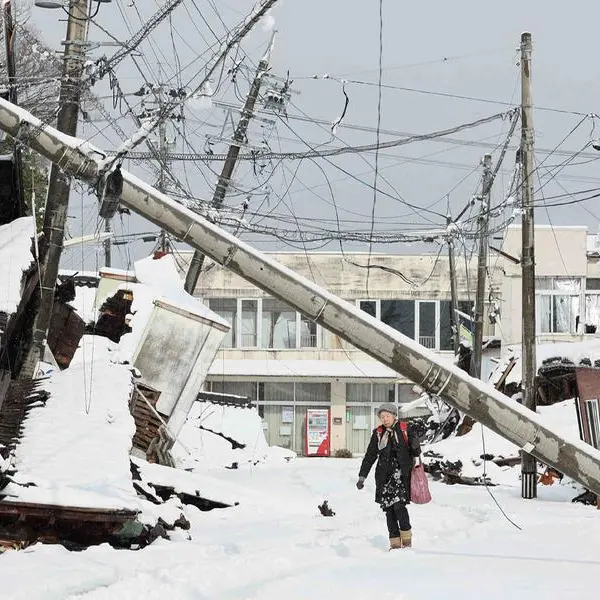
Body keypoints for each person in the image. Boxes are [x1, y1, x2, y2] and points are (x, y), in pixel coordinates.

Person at [356, 402, 421, 550]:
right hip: (384, 478)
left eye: (387, 416)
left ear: (394, 416)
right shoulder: (378, 433)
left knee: (399, 507)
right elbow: (370, 456)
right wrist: (362, 477)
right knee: (389, 510)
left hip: (401, 476)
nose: (384, 419)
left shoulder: (405, 429)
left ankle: (406, 539)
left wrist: (416, 445)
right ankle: (395, 543)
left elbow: (415, 451)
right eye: (382, 417)